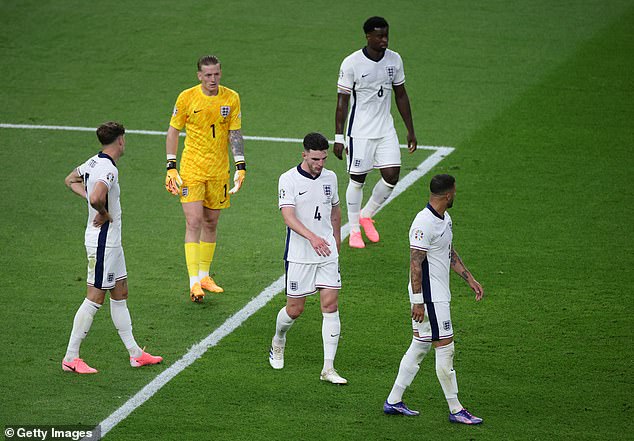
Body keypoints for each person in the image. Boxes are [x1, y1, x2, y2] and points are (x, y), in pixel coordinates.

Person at [62, 122, 163, 374]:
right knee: (95, 296)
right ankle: (71, 357)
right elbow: (97, 196)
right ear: (120, 140)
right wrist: (103, 212)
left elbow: (71, 179)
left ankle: (135, 354)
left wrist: (89, 199)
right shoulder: (107, 169)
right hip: (102, 241)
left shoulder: (93, 162)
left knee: (120, 293)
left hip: (112, 243)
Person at [383, 174, 484, 424]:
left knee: (420, 345)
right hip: (430, 297)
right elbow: (415, 263)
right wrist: (418, 300)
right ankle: (456, 408)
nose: (455, 196)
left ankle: (393, 401)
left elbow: (448, 252)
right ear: (448, 195)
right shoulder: (423, 223)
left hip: (436, 294)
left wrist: (469, 278)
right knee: (445, 347)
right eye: (455, 193)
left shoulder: (445, 219)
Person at [165, 55, 246, 302]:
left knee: (211, 222)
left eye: (216, 74)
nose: (212, 79)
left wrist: (240, 165)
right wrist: (171, 166)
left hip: (219, 171)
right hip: (192, 169)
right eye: (208, 75)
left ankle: (204, 276)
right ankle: (193, 283)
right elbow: (173, 131)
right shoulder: (187, 97)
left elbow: (235, 133)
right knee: (194, 222)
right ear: (199, 75)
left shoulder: (231, 97)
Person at [268, 132, 347, 384]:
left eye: (323, 159)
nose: (320, 164)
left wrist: (336, 239)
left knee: (331, 306)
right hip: (300, 254)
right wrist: (312, 237)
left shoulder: (331, 178)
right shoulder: (288, 179)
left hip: (326, 253)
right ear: (303, 154)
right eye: (315, 159)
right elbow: (288, 217)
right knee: (295, 309)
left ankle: (328, 369)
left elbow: (335, 209)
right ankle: (278, 340)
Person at [334, 16, 417, 249]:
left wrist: (410, 130)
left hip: (385, 129)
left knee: (392, 175)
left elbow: (401, 94)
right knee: (358, 179)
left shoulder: (394, 60)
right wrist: (339, 137)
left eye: (387, 35)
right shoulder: (351, 63)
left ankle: (366, 214)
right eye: (379, 36)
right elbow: (342, 102)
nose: (385, 40)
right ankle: (353, 231)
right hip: (359, 131)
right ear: (368, 36)